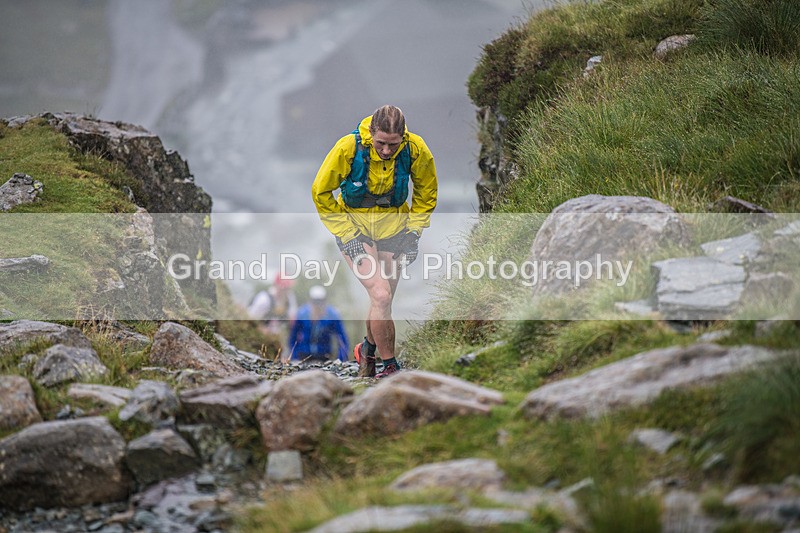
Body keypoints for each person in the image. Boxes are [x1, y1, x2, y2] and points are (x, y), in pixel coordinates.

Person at [312, 105, 437, 378]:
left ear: (403, 137)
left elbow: (426, 193)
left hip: (395, 230)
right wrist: (347, 234)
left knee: (383, 301)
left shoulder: (415, 149)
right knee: (380, 294)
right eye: (381, 143)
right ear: (371, 133)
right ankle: (390, 366)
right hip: (356, 230)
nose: (386, 151)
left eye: (393, 145)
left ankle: (366, 350)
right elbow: (321, 191)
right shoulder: (348, 147)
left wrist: (414, 233)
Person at [286, 285, 349, 363]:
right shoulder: (302, 314)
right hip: (303, 355)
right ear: (310, 301)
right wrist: (294, 357)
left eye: (320, 301)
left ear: (324, 301)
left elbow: (342, 339)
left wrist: (341, 360)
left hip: (325, 356)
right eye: (315, 301)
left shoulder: (332, 315)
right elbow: (293, 337)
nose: (317, 305)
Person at [247, 273, 298, 360]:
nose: (285, 290)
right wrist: (261, 329)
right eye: (283, 287)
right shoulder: (264, 299)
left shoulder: (289, 299)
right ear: (276, 285)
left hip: (276, 340)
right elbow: (249, 319)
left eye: (287, 288)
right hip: (258, 339)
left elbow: (292, 318)